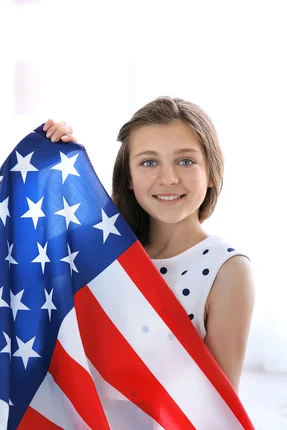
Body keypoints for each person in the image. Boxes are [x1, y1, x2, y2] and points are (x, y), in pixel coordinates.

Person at [42, 96, 255, 392]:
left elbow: (219, 406)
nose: (168, 178)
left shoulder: (227, 269)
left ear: (211, 172)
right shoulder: (101, 253)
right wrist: (56, 159)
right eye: (149, 162)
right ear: (128, 176)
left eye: (186, 161)